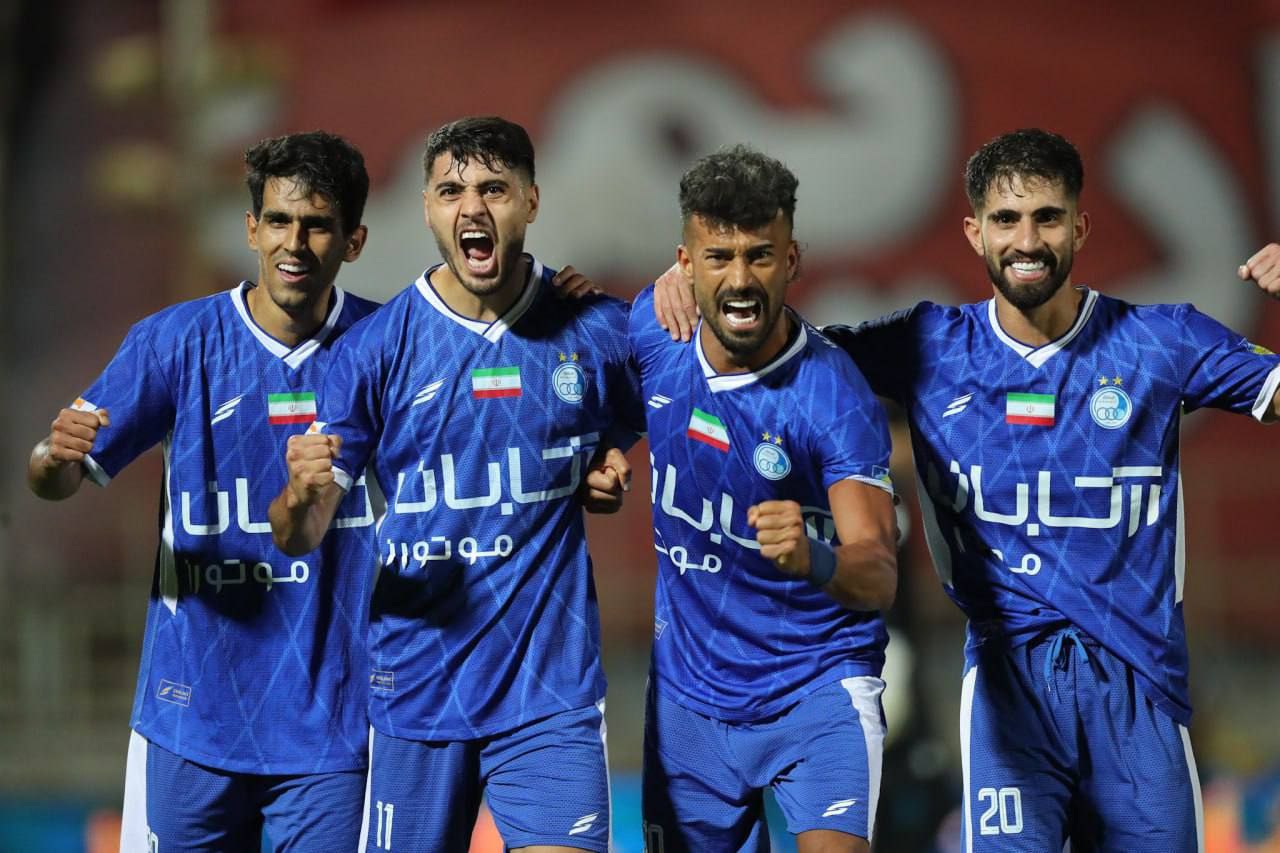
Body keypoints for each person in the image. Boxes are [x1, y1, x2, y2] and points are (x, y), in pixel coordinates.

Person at [653, 128, 1280, 851]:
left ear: (1079, 227)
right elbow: (775, 349)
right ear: (974, 232)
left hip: (1139, 689)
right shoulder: (929, 345)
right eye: (1006, 219)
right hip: (1007, 691)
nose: (1027, 240)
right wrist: (698, 280)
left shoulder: (1161, 342)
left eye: (1047, 218)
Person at [268, 115, 643, 853]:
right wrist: (299, 495)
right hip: (416, 692)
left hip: (548, 692)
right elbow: (298, 535)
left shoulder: (594, 328)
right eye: (451, 191)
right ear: (427, 208)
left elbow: (655, 399)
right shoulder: (375, 349)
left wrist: (606, 451)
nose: (473, 207)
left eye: (494, 189)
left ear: (531, 200)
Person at [27, 131, 381, 851]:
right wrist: (52, 456)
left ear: (354, 240)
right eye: (278, 220)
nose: (294, 243)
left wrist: (555, 298)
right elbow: (54, 477)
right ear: (251, 228)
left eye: (317, 224)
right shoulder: (175, 342)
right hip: (189, 717)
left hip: (334, 727)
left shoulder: (386, 344)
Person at [627, 145, 897, 852]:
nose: (741, 280)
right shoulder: (655, 333)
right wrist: (598, 454)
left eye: (760, 256)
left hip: (816, 689)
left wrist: (814, 557)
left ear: (793, 259)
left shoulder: (834, 397)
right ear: (685, 263)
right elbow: (591, 398)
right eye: (718, 257)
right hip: (689, 702)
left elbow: (877, 571)